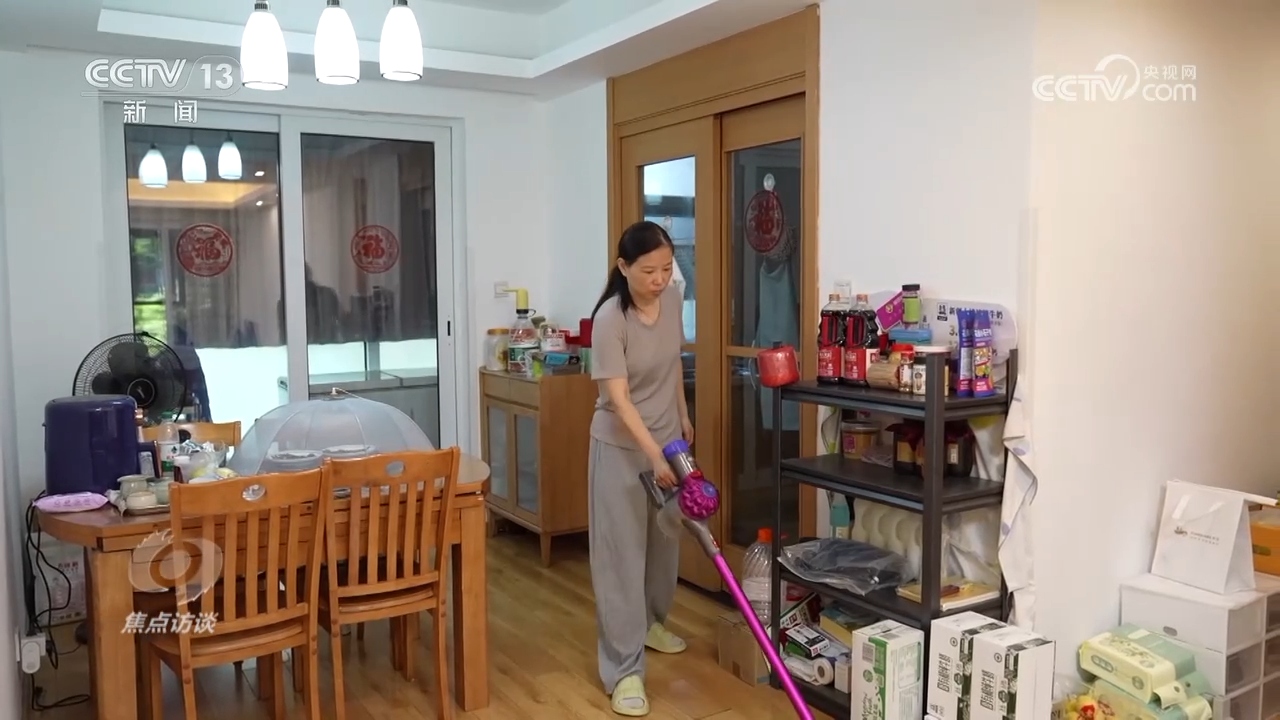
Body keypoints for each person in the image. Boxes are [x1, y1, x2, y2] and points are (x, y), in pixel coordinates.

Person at [587, 220, 693, 717]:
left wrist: (683, 416)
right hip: (622, 448)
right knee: (621, 558)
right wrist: (653, 454)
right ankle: (623, 669)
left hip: (668, 442)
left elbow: (672, 365)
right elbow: (619, 399)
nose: (659, 279)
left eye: (667, 268)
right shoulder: (611, 318)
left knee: (664, 544)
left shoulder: (672, 300)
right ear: (623, 267)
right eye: (649, 270)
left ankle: (651, 623)